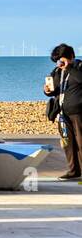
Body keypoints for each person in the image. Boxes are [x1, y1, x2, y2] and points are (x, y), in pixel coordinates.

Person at [45, 43, 82, 179]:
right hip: (62, 112)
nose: (59, 63)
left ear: (71, 56)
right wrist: (47, 90)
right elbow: (53, 90)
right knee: (67, 143)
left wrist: (70, 67)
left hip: (78, 112)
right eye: (57, 60)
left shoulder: (79, 67)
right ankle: (73, 171)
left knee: (81, 142)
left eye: (62, 59)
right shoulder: (57, 72)